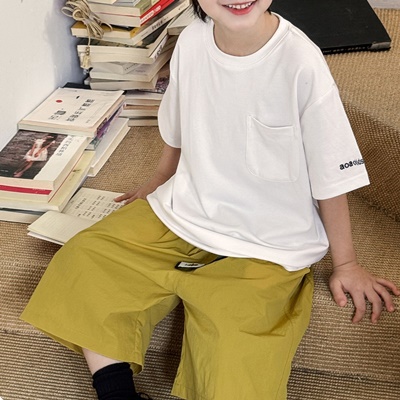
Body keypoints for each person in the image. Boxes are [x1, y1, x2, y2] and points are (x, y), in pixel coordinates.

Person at [21, 0, 399, 399]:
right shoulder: (191, 42)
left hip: (268, 243)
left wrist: (347, 263)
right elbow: (179, 126)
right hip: (186, 210)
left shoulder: (300, 61)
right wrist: (158, 180)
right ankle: (117, 394)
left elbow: (331, 174)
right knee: (85, 259)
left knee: (237, 348)